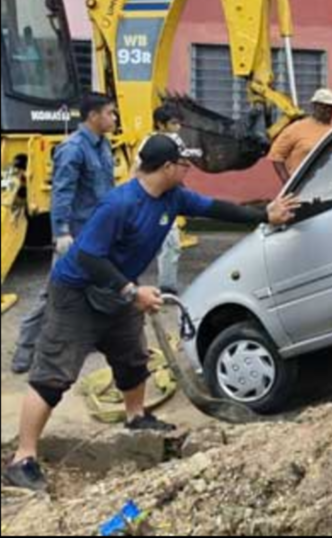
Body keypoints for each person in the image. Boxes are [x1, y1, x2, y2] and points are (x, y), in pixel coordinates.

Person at [2, 135, 301, 493]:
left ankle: (136, 418)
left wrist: (263, 214)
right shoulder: (120, 203)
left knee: (133, 360)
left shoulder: (174, 197)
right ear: (167, 167)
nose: (189, 169)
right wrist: (132, 291)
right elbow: (88, 257)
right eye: (184, 163)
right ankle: (22, 458)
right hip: (77, 294)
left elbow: (214, 208)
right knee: (53, 377)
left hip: (119, 292)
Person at [10, 94, 118, 375]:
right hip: (77, 234)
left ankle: (89, 338)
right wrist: (61, 233)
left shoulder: (103, 146)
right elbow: (62, 193)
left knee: (97, 286)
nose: (114, 118)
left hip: (97, 232)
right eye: (110, 113)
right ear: (93, 116)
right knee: (54, 291)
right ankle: (26, 348)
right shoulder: (73, 149)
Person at [269, 88, 332, 184]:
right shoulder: (297, 128)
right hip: (303, 187)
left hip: (329, 185)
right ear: (315, 106)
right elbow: (276, 155)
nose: (328, 110)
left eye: (331, 107)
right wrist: (287, 182)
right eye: (324, 106)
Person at [149, 104, 186, 295]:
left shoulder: (177, 142)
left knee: (172, 245)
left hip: (168, 199)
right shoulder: (151, 144)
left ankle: (167, 287)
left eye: (179, 123)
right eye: (173, 123)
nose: (177, 127)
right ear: (160, 124)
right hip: (154, 201)